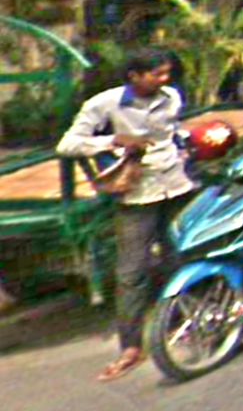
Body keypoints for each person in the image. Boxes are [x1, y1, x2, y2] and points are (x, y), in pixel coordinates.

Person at [56, 48, 196, 382]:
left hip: (176, 188)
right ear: (134, 76)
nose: (164, 79)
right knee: (132, 273)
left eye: (166, 73)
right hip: (136, 196)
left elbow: (174, 131)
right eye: (156, 74)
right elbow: (68, 144)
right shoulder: (104, 104)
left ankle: (185, 322)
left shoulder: (172, 97)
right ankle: (131, 347)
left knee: (181, 257)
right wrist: (112, 141)